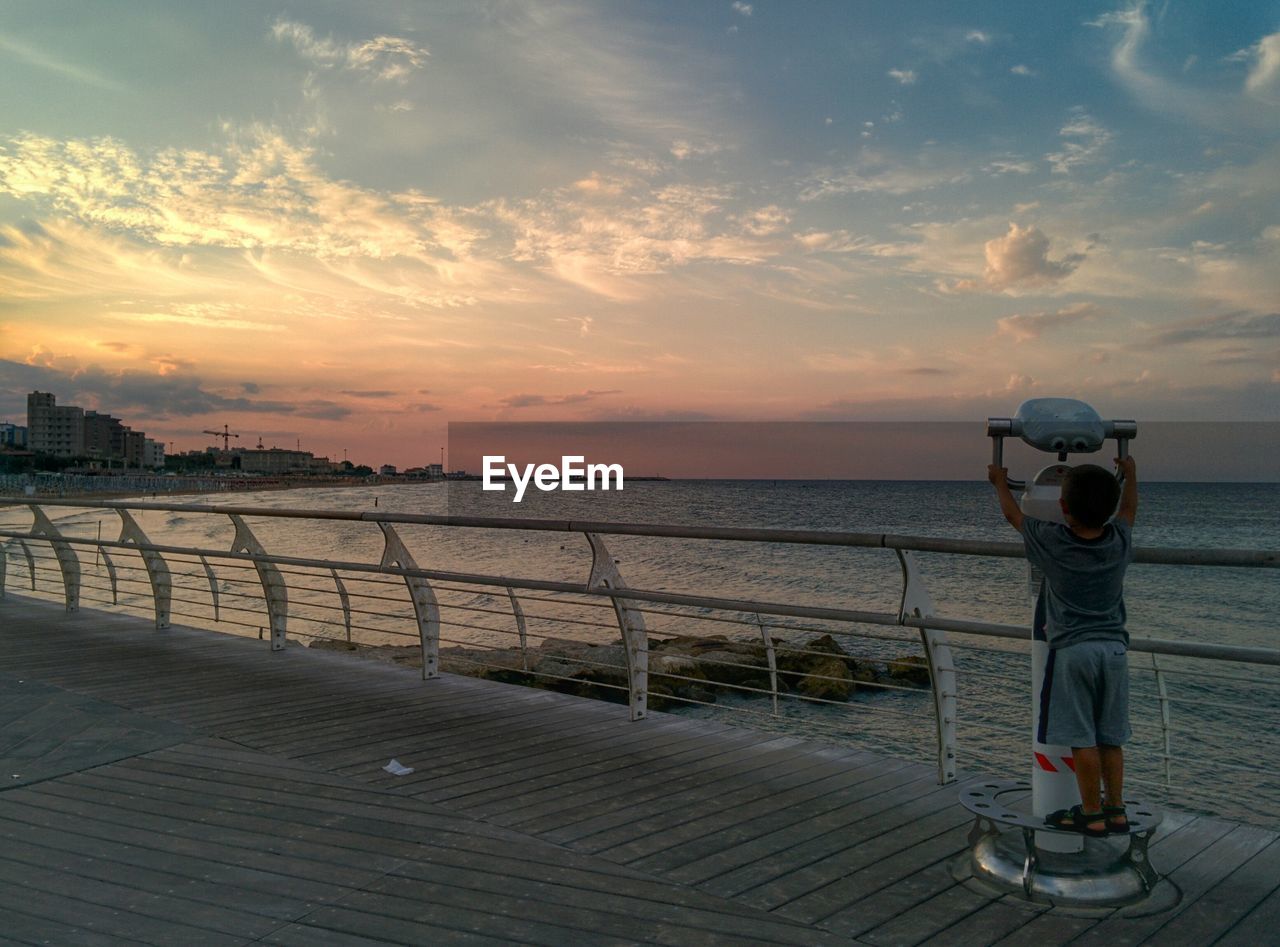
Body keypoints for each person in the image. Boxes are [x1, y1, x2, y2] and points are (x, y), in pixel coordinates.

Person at [988, 455, 1139, 836]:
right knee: (1111, 736)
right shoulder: (1119, 541)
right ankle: (1116, 809)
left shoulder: (1053, 542)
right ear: (1108, 509)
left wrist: (1000, 483)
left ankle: (1090, 811)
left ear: (1063, 508)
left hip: (1072, 650)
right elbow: (1130, 508)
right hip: (1114, 651)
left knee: (1081, 738)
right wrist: (1131, 475)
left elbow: (1014, 518)